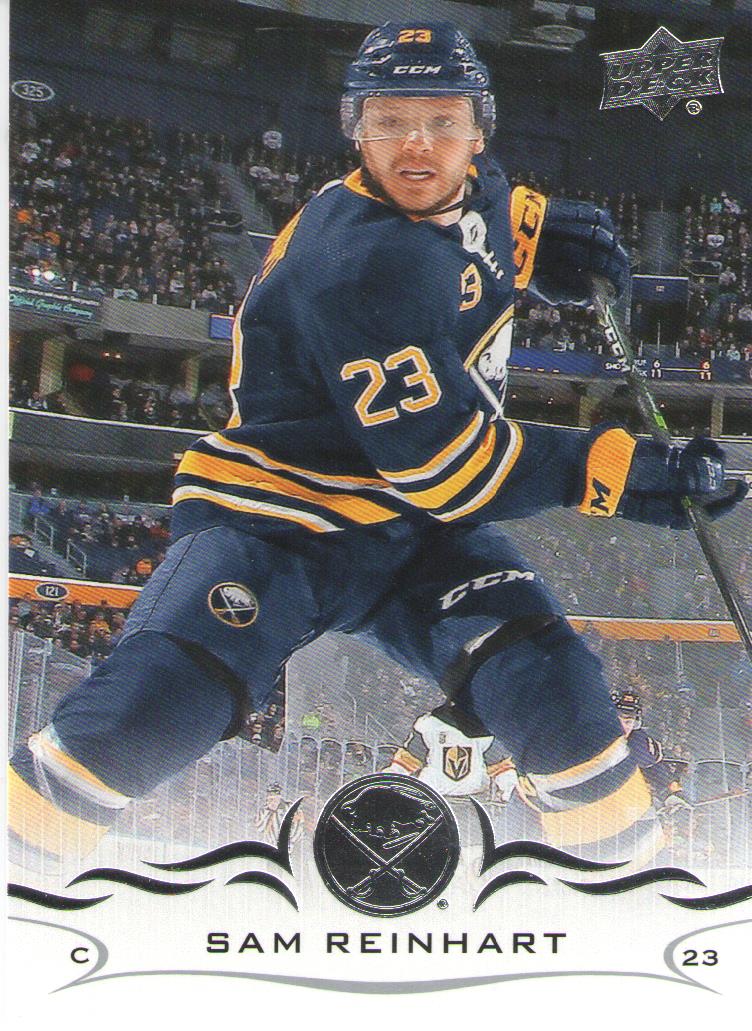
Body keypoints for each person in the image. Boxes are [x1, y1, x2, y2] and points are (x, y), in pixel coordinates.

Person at [8, 21, 747, 865]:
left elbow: (491, 215)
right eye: (390, 121)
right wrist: (614, 470)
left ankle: (623, 876)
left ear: (480, 129)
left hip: (412, 528)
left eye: (443, 120)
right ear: (356, 130)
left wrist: (538, 234)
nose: (418, 146)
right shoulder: (359, 265)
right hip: (282, 519)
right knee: (154, 707)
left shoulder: (480, 186)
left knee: (553, 685)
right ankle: (18, 873)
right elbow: (447, 467)